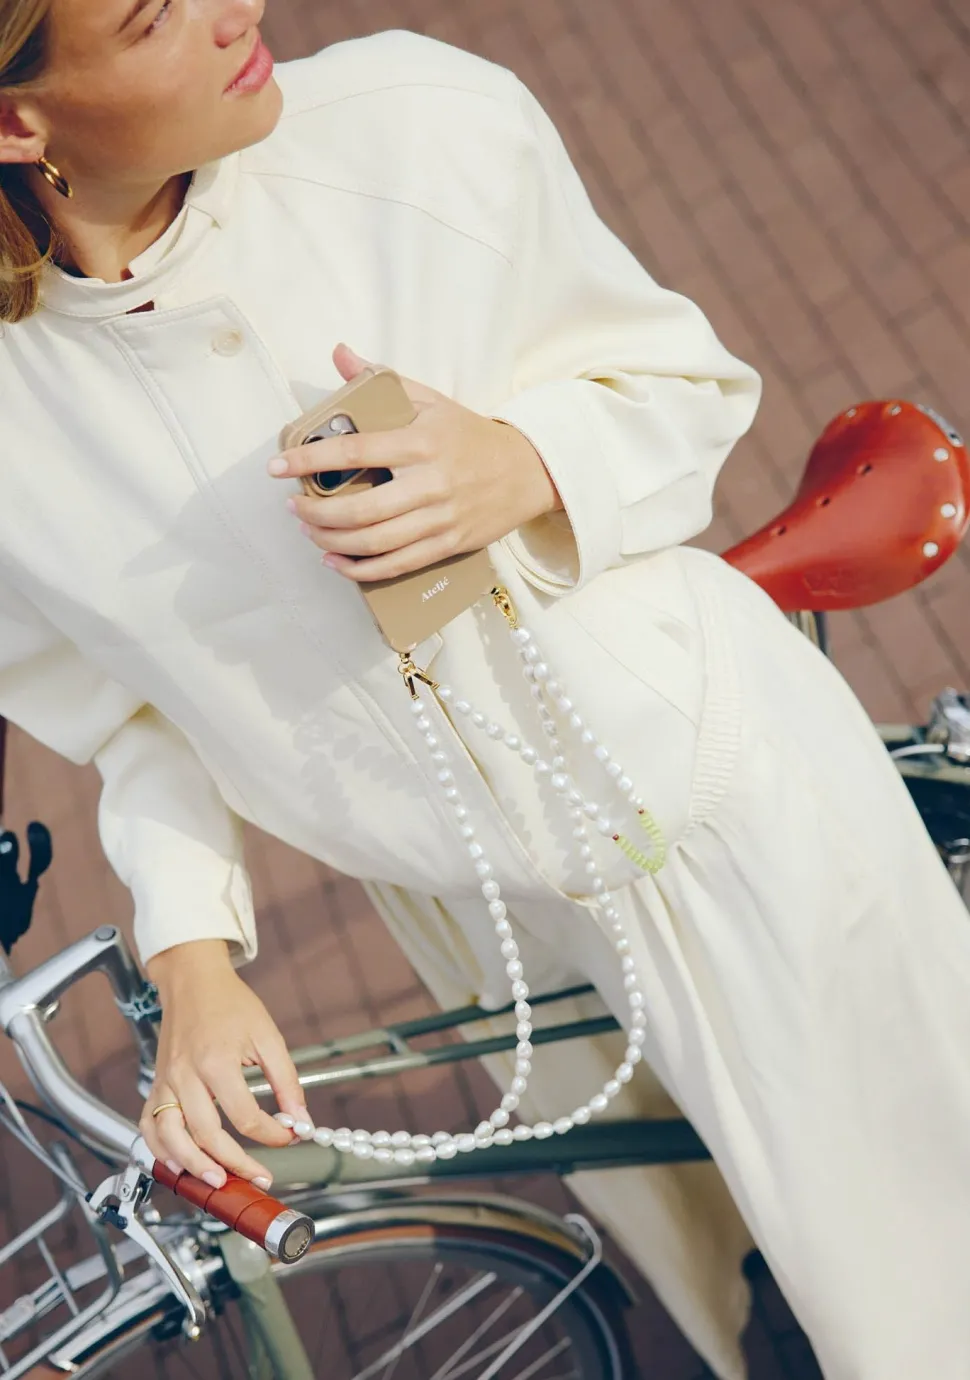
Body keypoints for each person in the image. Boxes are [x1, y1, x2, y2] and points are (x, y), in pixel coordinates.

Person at [1, 2, 969, 1376]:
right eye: (155, 13)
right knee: (713, 1259)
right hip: (471, 911)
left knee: (916, 1302)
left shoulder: (418, 121)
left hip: (715, 807)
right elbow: (134, 711)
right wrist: (191, 954)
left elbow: (689, 387)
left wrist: (519, 462)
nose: (237, 10)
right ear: (16, 119)